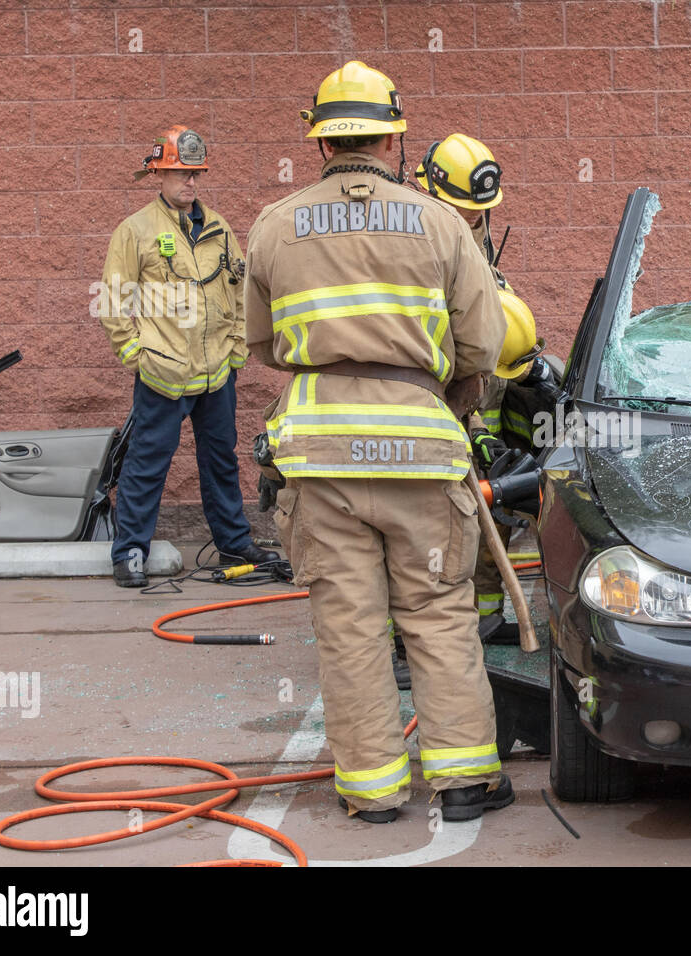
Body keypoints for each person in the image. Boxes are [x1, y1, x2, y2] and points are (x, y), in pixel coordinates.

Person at [243, 62, 514, 823]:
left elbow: (259, 343)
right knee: (436, 611)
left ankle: (373, 793)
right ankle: (466, 783)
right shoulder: (441, 224)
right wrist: (445, 401)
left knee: (350, 624)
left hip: (318, 456)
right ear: (394, 135)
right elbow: (482, 346)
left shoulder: (272, 224)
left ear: (319, 138)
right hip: (421, 452)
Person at [97, 125, 277, 588]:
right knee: (147, 461)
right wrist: (135, 354)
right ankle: (130, 551)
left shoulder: (217, 229)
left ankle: (234, 544)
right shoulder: (135, 231)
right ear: (158, 172)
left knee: (220, 461)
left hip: (217, 372)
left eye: (195, 173)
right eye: (180, 172)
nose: (189, 182)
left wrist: (237, 349)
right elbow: (115, 301)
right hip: (162, 372)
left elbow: (240, 294)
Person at [415, 134, 560, 644]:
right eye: (462, 208)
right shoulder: (417, 238)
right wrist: (468, 421)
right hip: (440, 398)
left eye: (480, 212)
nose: (472, 218)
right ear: (429, 189)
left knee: (490, 509)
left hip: (486, 393)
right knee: (434, 525)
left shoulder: (471, 229)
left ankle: (489, 616)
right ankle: (408, 639)